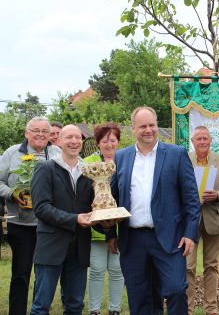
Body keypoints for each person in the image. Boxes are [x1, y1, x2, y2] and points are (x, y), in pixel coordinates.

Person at [109, 106, 201, 315]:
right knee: (140, 297)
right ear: (133, 129)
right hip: (132, 240)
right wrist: (109, 233)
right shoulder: (121, 157)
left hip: (170, 238)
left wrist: (190, 234)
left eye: (152, 125)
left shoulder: (176, 154)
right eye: (143, 126)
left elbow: (192, 200)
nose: (148, 130)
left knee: (177, 290)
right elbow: (112, 200)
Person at [29, 125, 106, 314]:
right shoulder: (46, 168)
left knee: (75, 305)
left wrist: (106, 220)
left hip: (79, 248)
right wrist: (75, 219)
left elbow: (92, 206)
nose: (74, 141)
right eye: (69, 137)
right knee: (41, 306)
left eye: (78, 137)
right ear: (59, 141)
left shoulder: (88, 171)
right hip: (51, 247)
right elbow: (41, 208)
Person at [0, 116, 61, 315]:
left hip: (48, 226)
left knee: (44, 275)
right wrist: (12, 193)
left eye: (45, 131)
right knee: (20, 274)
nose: (41, 134)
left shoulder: (56, 153)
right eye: (36, 130)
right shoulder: (11, 153)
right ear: (27, 133)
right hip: (21, 225)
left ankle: (38, 311)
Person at [187, 126, 219, 315]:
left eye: (205, 138)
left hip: (213, 218)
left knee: (211, 266)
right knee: (188, 267)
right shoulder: (184, 160)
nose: (203, 142)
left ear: (210, 140)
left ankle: (210, 308)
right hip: (189, 220)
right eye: (199, 139)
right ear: (193, 141)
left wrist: (218, 194)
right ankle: (186, 308)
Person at [84, 122, 124, 315]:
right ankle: (94, 310)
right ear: (98, 143)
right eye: (104, 141)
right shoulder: (88, 163)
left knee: (117, 270)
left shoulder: (125, 160)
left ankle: (115, 309)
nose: (109, 145)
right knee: (97, 270)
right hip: (96, 228)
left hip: (121, 227)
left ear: (118, 142)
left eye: (113, 140)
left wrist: (114, 230)